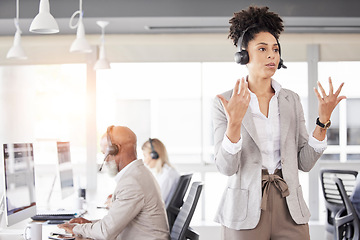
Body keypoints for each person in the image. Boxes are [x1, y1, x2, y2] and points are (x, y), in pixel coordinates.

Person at [212, 6, 346, 240]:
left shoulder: (290, 100)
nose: (271, 55)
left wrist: (322, 121)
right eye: (262, 49)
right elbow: (226, 167)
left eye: (275, 49)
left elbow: (304, 163)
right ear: (243, 55)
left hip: (290, 208)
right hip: (244, 210)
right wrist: (234, 124)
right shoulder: (224, 102)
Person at [58, 126, 170, 240]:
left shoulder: (132, 182)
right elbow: (114, 224)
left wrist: (76, 229)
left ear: (115, 149)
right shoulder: (138, 174)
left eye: (104, 153)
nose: (104, 160)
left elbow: (105, 232)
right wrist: (89, 224)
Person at [142, 138, 180, 205]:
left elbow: (158, 202)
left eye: (145, 156)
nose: (144, 161)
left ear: (154, 155)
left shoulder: (167, 175)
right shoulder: (165, 172)